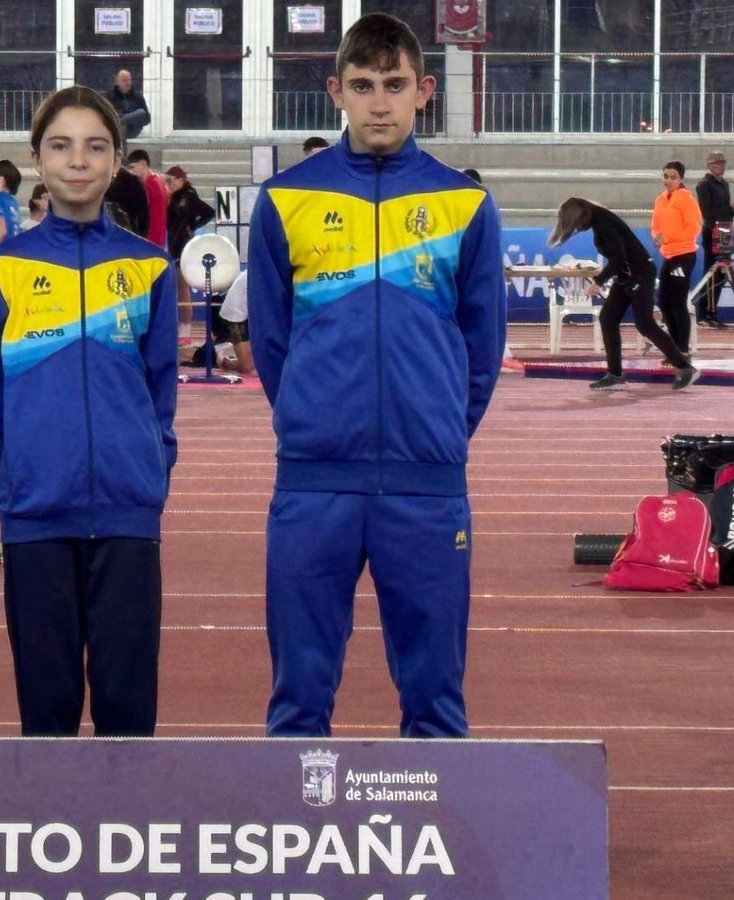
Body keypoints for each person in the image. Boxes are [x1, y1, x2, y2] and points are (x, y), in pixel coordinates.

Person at [247, 13, 505, 738]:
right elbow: (271, 343)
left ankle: (432, 848)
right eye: (363, 86)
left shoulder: (465, 205)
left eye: (394, 85)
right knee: (298, 700)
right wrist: (310, 419)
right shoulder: (286, 201)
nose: (380, 103)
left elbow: (481, 351)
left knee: (435, 703)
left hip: (426, 484)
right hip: (313, 480)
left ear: (423, 91)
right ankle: (299, 846)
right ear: (337, 91)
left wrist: (440, 432)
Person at [0, 85, 177, 737]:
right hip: (35, 517)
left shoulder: (149, 268)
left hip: (126, 517)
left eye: (94, 147)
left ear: (116, 161)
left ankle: (126, 832)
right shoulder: (3, 271)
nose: (77, 160)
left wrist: (147, 479)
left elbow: (161, 392)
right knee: (47, 712)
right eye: (61, 146)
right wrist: (8, 491)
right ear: (37, 159)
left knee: (126, 711)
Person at [552, 197, 698, 391]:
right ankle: (615, 374)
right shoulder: (599, 220)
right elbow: (619, 259)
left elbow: (619, 257)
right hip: (627, 274)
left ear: (581, 216)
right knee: (608, 318)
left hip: (640, 273)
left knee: (645, 323)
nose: (577, 229)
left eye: (576, 224)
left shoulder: (603, 223)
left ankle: (684, 367)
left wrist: (598, 281)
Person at [650, 160, 701, 354]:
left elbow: (694, 226)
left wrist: (668, 237)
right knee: (664, 301)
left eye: (673, 177)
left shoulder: (685, 198)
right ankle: (674, 347)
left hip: (684, 255)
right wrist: (656, 237)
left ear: (681, 179)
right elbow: (655, 225)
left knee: (678, 302)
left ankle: (682, 349)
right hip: (669, 255)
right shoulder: (660, 199)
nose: (668, 180)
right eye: (666, 176)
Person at [694, 150, 734, 327]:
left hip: (725, 230)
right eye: (716, 163)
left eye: (722, 163)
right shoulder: (704, 185)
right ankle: (704, 313)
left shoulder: (724, 184)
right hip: (712, 230)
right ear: (709, 165)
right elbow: (708, 212)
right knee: (711, 272)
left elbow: (722, 211)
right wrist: (731, 209)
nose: (720, 166)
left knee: (722, 274)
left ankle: (712, 312)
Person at [165, 165, 214, 337]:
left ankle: (185, 329)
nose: (169, 184)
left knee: (182, 288)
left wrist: (192, 227)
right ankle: (179, 327)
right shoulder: (173, 197)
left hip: (183, 247)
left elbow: (209, 212)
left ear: (181, 180)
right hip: (172, 244)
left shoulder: (189, 196)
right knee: (175, 289)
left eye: (171, 180)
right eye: (167, 181)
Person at [126, 149, 167, 249]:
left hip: (149, 240)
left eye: (132, 167)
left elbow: (138, 210)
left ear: (143, 164)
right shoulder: (159, 181)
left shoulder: (149, 185)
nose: (131, 171)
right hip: (158, 239)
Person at [106, 69, 152, 139]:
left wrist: (134, 120)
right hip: (117, 128)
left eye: (129, 80)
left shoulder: (138, 97)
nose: (128, 83)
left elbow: (147, 118)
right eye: (124, 80)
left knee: (140, 112)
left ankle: (123, 123)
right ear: (117, 82)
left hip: (134, 128)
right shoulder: (110, 96)